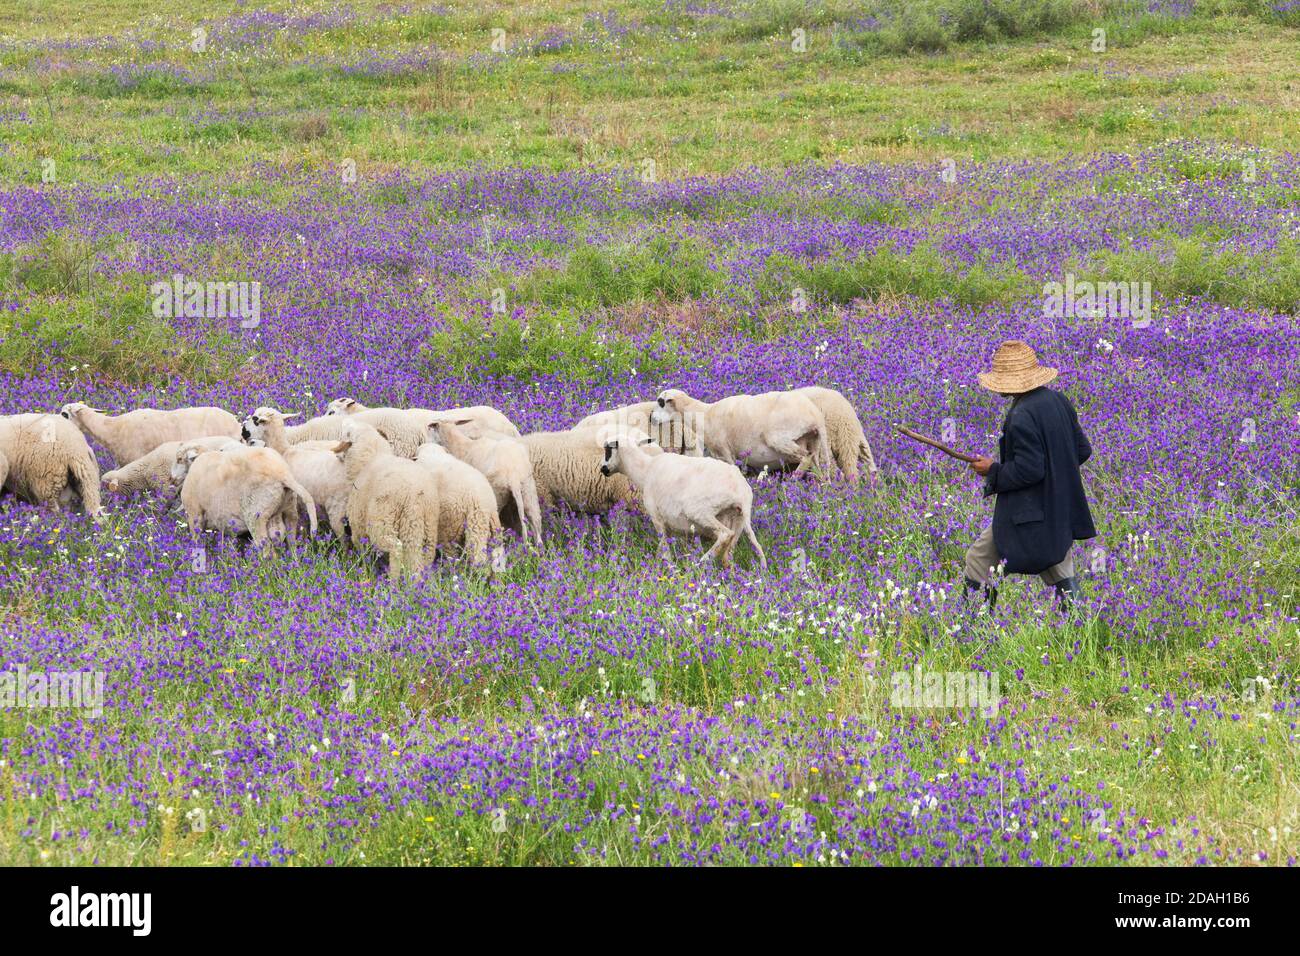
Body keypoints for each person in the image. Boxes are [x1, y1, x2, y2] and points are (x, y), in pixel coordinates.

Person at [964, 340, 1095, 609]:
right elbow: (1082, 450)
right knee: (1057, 560)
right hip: (1058, 506)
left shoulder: (1021, 415)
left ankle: (971, 631)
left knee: (980, 558)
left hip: (1030, 512)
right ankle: (1080, 626)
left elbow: (1030, 469)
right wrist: (1056, 476)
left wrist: (993, 470)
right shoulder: (1058, 400)